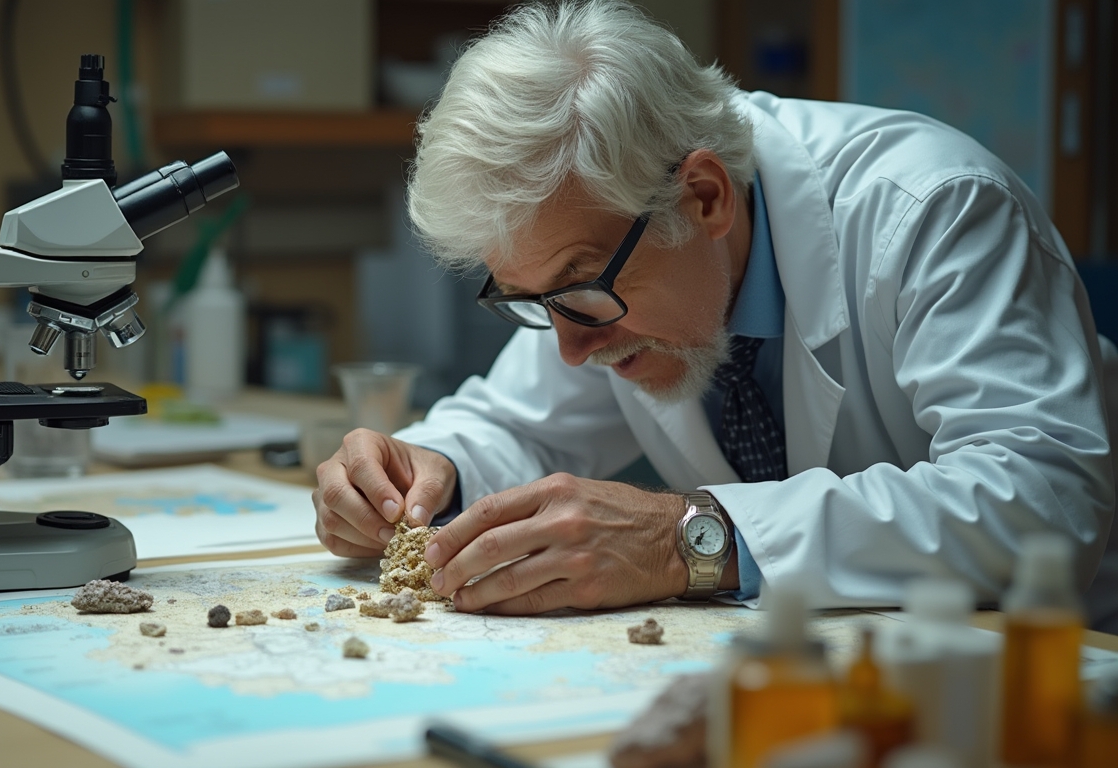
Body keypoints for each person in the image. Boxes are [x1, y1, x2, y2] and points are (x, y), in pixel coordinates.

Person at [311, 0, 1118, 630]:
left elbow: (1042, 499)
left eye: (580, 290)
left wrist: (692, 538)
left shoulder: (934, 211)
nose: (568, 348)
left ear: (704, 197)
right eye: (532, 303)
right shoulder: (615, 258)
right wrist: (425, 475)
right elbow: (521, 427)